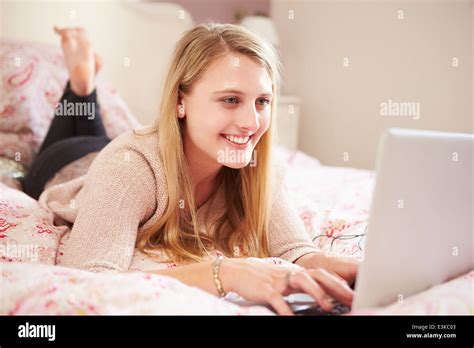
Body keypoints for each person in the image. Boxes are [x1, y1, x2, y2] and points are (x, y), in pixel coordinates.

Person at [22, 24, 358, 315]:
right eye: (230, 100)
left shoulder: (263, 166)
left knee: (100, 132)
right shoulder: (129, 167)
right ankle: (82, 85)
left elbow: (294, 251)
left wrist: (349, 270)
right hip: (68, 163)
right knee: (76, 133)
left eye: (262, 101)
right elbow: (89, 281)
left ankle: (85, 90)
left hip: (115, 150)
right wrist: (225, 273)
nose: (251, 123)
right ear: (180, 101)